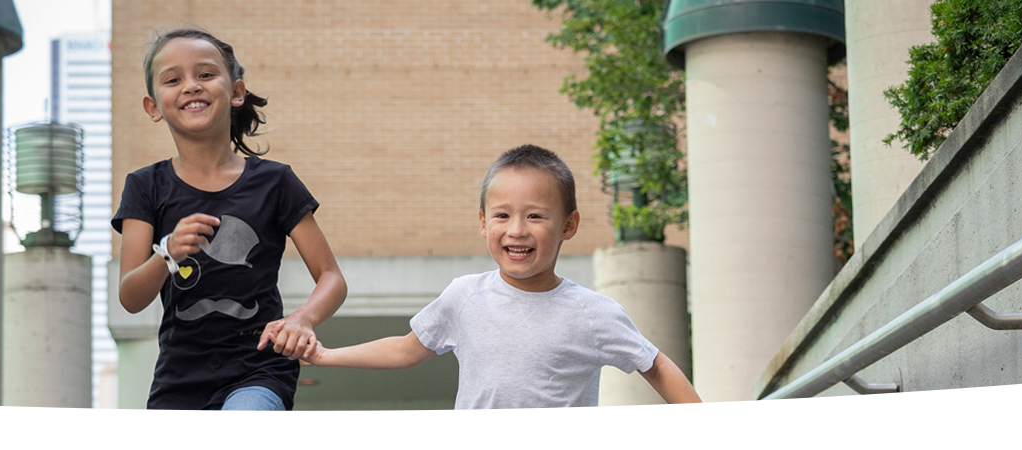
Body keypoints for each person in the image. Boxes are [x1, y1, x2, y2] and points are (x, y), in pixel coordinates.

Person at [303, 145, 703, 410]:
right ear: (482, 223)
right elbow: (407, 350)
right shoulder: (464, 296)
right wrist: (326, 355)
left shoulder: (593, 312)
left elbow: (656, 365)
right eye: (501, 215)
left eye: (535, 216)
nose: (516, 230)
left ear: (569, 225)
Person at [113, 28, 346, 411]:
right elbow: (131, 297)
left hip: (259, 369)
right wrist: (167, 253)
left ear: (236, 92)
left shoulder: (276, 182)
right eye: (173, 79)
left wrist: (302, 320)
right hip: (179, 379)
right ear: (153, 106)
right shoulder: (144, 186)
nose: (191, 86)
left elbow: (331, 276)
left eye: (205, 75)